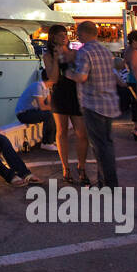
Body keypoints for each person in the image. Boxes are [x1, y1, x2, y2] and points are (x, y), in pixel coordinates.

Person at [64, 21, 120, 187]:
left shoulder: (85, 51)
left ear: (83, 33)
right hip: (108, 103)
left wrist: (69, 74)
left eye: (78, 33)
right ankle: (105, 181)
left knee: (100, 147)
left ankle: (109, 183)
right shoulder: (105, 51)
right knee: (106, 144)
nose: (78, 37)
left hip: (93, 104)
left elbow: (82, 77)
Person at [43, 24, 89, 185]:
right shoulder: (48, 56)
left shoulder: (75, 53)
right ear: (53, 37)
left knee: (82, 133)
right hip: (60, 94)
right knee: (61, 132)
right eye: (60, 34)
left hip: (76, 94)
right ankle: (65, 168)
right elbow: (53, 78)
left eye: (65, 33)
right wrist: (56, 59)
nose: (64, 36)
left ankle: (81, 167)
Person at [15, 73, 58, 151]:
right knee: (49, 115)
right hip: (23, 114)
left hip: (33, 111)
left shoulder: (46, 87)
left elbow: (49, 103)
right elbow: (42, 107)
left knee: (55, 114)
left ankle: (52, 140)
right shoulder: (38, 86)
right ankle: (46, 143)